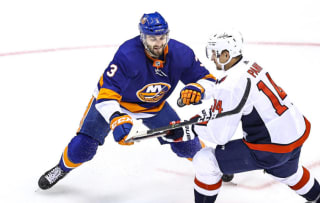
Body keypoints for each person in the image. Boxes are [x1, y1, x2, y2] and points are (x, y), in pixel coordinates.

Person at [37, 12, 217, 190]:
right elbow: (107, 93)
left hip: (154, 106)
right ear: (142, 37)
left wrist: (199, 88)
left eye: (162, 37)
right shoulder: (128, 54)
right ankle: (61, 168)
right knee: (83, 147)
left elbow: (209, 81)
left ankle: (212, 166)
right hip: (117, 104)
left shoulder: (181, 53)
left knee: (185, 141)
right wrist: (116, 117)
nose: (159, 43)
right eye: (153, 38)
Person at [169, 31, 320, 202]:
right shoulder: (250, 66)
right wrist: (203, 90)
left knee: (205, 161)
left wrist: (188, 129)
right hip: (293, 134)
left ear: (226, 55)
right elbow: (230, 91)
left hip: (271, 147)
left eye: (214, 52)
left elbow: (220, 135)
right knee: (289, 172)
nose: (211, 57)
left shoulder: (231, 85)